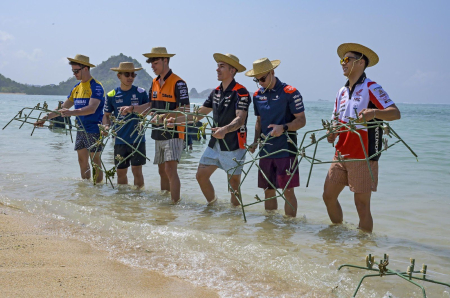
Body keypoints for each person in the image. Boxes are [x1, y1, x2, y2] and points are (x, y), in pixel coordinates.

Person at [323, 43, 401, 232]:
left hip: (363, 155)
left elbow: (395, 113)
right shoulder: (340, 92)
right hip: (341, 154)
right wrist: (331, 133)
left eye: (346, 59)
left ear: (360, 62)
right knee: (328, 196)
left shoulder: (371, 87)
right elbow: (335, 120)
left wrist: (373, 113)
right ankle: (338, 233)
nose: (342, 63)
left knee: (362, 205)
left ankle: (362, 250)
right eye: (341, 60)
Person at [169, 53, 251, 206]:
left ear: (232, 70)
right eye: (218, 65)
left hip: (234, 145)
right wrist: (175, 121)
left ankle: (235, 217)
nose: (217, 69)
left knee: (233, 185)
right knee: (201, 176)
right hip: (215, 144)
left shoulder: (241, 92)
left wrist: (225, 130)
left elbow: (240, 119)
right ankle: (213, 205)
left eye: (222, 66)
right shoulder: (216, 92)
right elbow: (198, 114)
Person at [123, 47, 189, 203]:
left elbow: (184, 110)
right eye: (151, 63)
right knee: (161, 170)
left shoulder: (179, 83)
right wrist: (132, 109)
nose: (152, 66)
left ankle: (175, 204)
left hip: (174, 132)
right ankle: (165, 201)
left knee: (170, 169)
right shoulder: (154, 82)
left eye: (155, 62)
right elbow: (151, 106)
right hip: (158, 132)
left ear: (165, 61)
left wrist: (163, 117)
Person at [247, 58, 306, 217]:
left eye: (263, 79)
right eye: (257, 80)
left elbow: (302, 120)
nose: (260, 83)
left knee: (288, 192)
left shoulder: (290, 92)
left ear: (272, 72)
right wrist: (254, 142)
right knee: (268, 191)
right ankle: (270, 229)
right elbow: (259, 122)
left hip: (286, 150)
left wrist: (284, 127)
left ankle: (289, 228)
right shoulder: (257, 95)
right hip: (265, 150)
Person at [35, 54, 104, 183]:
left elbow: (92, 109)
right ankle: (86, 188)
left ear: (85, 69)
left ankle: (98, 190)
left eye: (76, 71)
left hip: (94, 129)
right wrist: (45, 118)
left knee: (95, 161)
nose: (74, 74)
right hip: (80, 129)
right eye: (73, 71)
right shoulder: (76, 88)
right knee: (82, 160)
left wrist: (71, 112)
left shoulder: (96, 86)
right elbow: (61, 109)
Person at [102, 62, 149, 188]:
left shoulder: (141, 92)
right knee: (120, 172)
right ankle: (122, 202)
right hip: (120, 140)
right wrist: (106, 127)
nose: (130, 77)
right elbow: (106, 116)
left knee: (137, 171)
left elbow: (150, 107)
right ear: (119, 76)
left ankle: (138, 200)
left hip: (137, 139)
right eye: (127, 74)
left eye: (133, 74)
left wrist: (133, 108)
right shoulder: (111, 94)